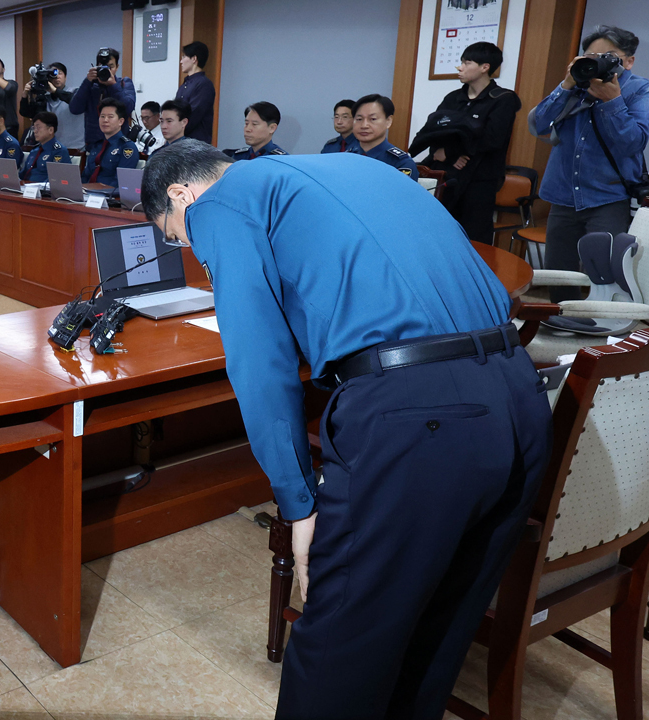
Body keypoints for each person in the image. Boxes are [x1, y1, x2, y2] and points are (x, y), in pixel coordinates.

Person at [141, 139, 551, 720]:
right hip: (520, 395)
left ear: (181, 195)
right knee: (440, 627)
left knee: (343, 641)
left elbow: (260, 364)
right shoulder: (356, 167)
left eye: (179, 237)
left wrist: (298, 503)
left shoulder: (220, 204)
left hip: (418, 417)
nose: (191, 247)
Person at [533, 24, 649, 302]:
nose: (596, 62)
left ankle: (602, 326)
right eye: (590, 56)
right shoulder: (575, 84)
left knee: (606, 270)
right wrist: (566, 85)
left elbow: (633, 142)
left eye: (607, 56)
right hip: (562, 193)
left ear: (629, 60)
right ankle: (561, 319)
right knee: (559, 269)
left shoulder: (639, 90)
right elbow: (539, 125)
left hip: (607, 196)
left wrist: (612, 102)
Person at [411, 42, 522, 245]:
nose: (459, 67)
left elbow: (493, 139)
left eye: (466, 62)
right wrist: (439, 152)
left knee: (474, 238)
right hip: (447, 176)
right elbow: (433, 130)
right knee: (440, 233)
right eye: (461, 62)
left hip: (480, 180)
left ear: (485, 67)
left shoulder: (503, 99)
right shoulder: (453, 98)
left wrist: (453, 152)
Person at [69, 48, 136, 150]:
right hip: (94, 144)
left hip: (119, 144)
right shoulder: (90, 86)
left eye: (111, 67)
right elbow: (74, 109)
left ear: (117, 67)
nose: (107, 71)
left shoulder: (124, 83)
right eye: (102, 67)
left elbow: (128, 108)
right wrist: (87, 81)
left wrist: (113, 86)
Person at [351, 94, 419, 180]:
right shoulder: (346, 157)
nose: (364, 125)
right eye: (359, 119)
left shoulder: (401, 163)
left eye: (373, 119)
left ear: (388, 121)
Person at [20, 62, 83, 151]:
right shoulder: (45, 97)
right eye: (53, 74)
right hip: (51, 147)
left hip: (74, 147)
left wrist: (54, 90)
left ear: (65, 77)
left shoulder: (75, 92)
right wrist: (25, 95)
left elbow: (75, 101)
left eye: (60, 73)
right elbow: (26, 113)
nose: (57, 76)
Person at [81, 97, 138, 186]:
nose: (105, 120)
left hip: (109, 196)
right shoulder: (96, 146)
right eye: (102, 116)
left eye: (110, 117)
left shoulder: (127, 147)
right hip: (87, 194)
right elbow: (85, 176)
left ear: (121, 121)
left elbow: (121, 183)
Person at [176, 41, 216, 143]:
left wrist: (175, 132)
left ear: (194, 59)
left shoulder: (204, 84)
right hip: (181, 140)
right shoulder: (185, 84)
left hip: (196, 143)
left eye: (184, 57)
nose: (181, 61)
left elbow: (194, 114)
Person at [20, 112, 68, 182]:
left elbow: (57, 179)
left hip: (45, 191)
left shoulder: (59, 151)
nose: (35, 131)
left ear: (50, 130)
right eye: (34, 128)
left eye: (38, 128)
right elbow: (23, 174)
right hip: (27, 189)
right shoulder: (34, 151)